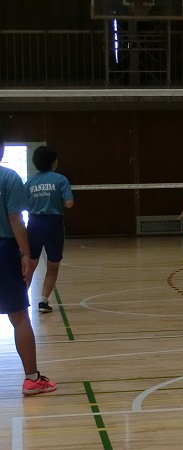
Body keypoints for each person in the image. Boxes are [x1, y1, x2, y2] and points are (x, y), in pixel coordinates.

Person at [0, 134, 57, 395]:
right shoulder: (9, 178)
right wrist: (25, 252)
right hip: (4, 250)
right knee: (20, 317)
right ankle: (32, 379)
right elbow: (16, 218)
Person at [25, 146, 74, 313]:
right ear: (54, 162)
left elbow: (23, 204)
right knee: (52, 266)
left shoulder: (30, 182)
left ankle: (20, 301)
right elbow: (69, 203)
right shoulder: (60, 179)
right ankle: (43, 302)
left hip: (34, 224)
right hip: (53, 224)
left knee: (30, 265)